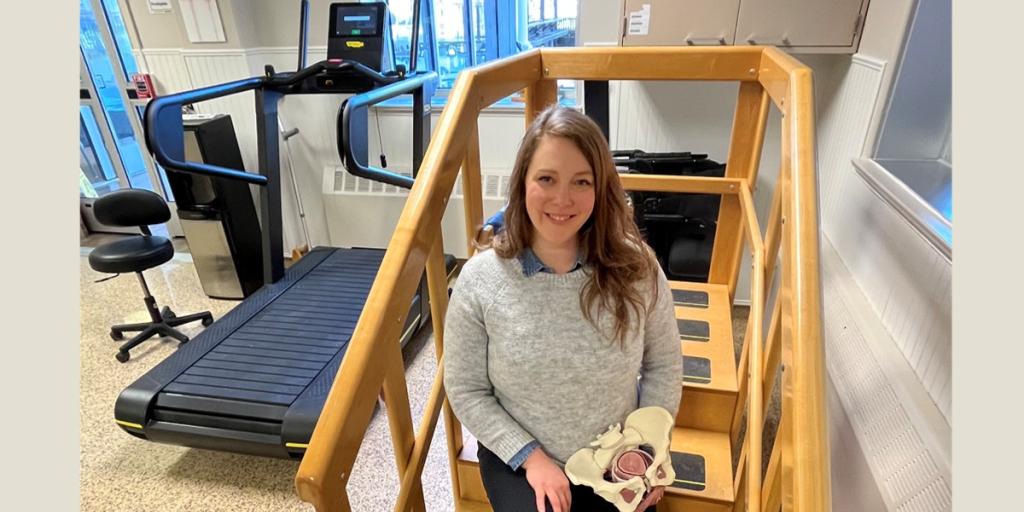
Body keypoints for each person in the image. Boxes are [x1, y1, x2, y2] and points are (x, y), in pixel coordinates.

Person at [443, 105, 683, 512]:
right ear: (522, 184)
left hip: (616, 455)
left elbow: (664, 366)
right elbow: (466, 389)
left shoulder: (637, 268)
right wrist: (531, 459)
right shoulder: (481, 280)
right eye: (546, 179)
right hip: (522, 460)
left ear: (600, 187)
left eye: (581, 181)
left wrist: (645, 452)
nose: (562, 199)